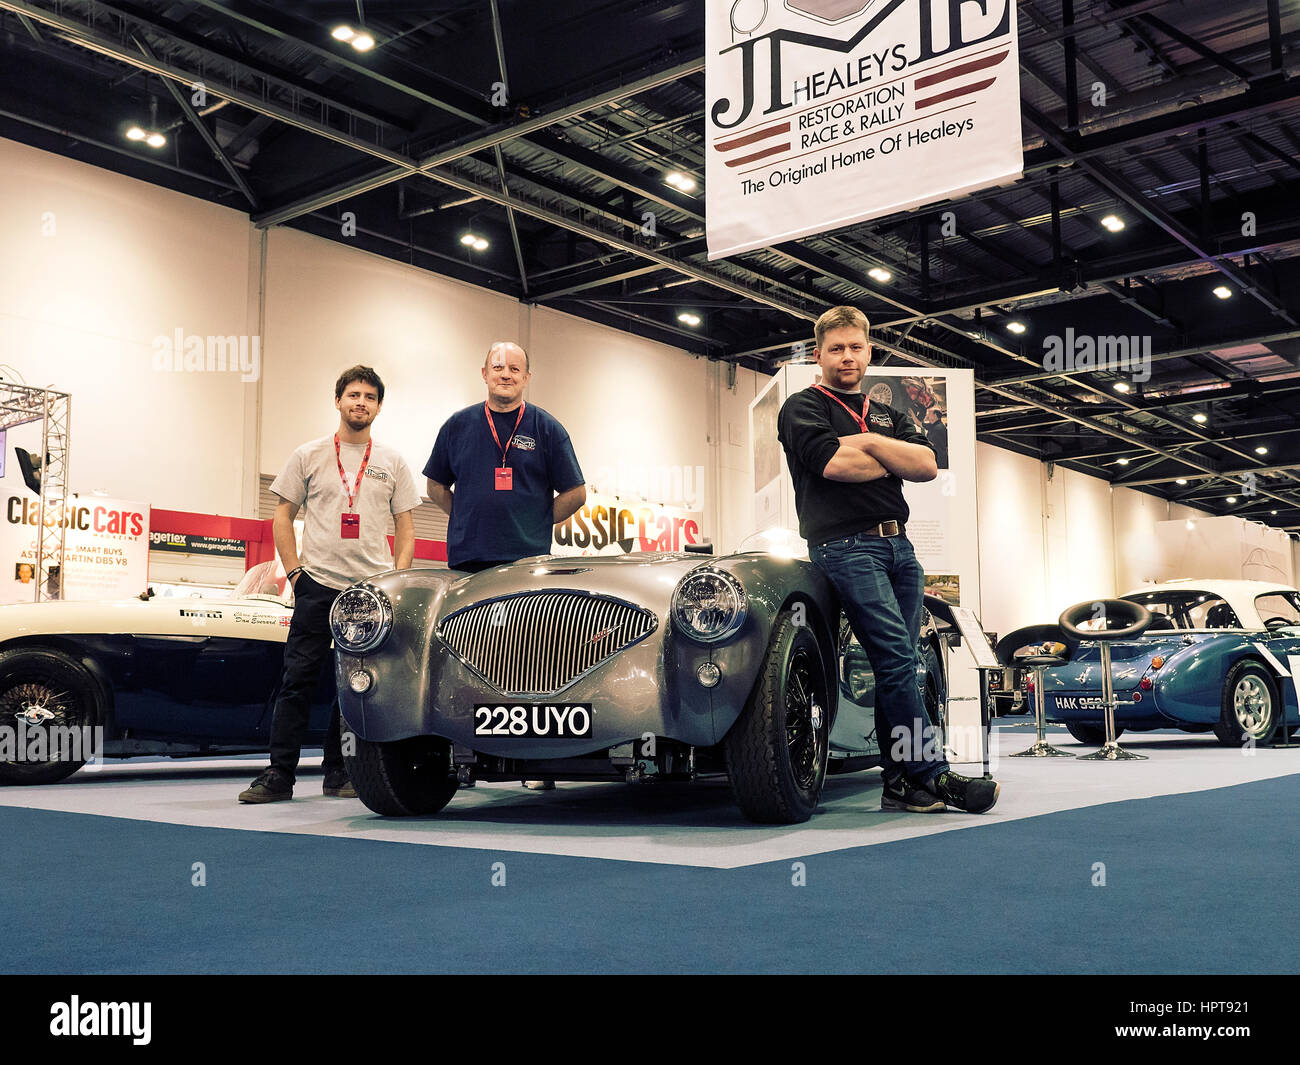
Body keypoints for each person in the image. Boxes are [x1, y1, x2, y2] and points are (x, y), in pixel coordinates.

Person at [777, 306, 999, 814]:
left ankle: (901, 784)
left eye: (855, 347)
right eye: (836, 348)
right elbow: (833, 464)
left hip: (900, 547)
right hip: (845, 547)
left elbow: (924, 465)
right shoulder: (803, 407)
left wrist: (872, 442)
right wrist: (885, 456)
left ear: (869, 351)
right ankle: (933, 774)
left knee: (902, 665)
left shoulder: (887, 416)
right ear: (819, 355)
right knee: (897, 658)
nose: (846, 356)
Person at [239, 366, 422, 803]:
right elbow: (282, 514)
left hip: (368, 595)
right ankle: (278, 776)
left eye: (370, 397)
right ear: (337, 400)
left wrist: (394, 580)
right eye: (353, 394)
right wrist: (295, 572)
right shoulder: (309, 455)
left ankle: (339, 773)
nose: (361, 402)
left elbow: (406, 526)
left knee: (357, 684)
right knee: (297, 680)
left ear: (379, 407)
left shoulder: (392, 462)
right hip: (316, 585)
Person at [424, 341, 586, 790]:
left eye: (515, 368)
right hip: (469, 562)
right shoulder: (457, 426)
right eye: (499, 367)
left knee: (533, 659)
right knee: (463, 659)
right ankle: (464, 754)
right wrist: (463, 515)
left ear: (527, 377)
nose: (506, 374)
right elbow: (435, 484)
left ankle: (536, 765)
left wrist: (535, 521)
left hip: (528, 562)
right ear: (484, 372)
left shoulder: (547, 428)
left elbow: (575, 492)